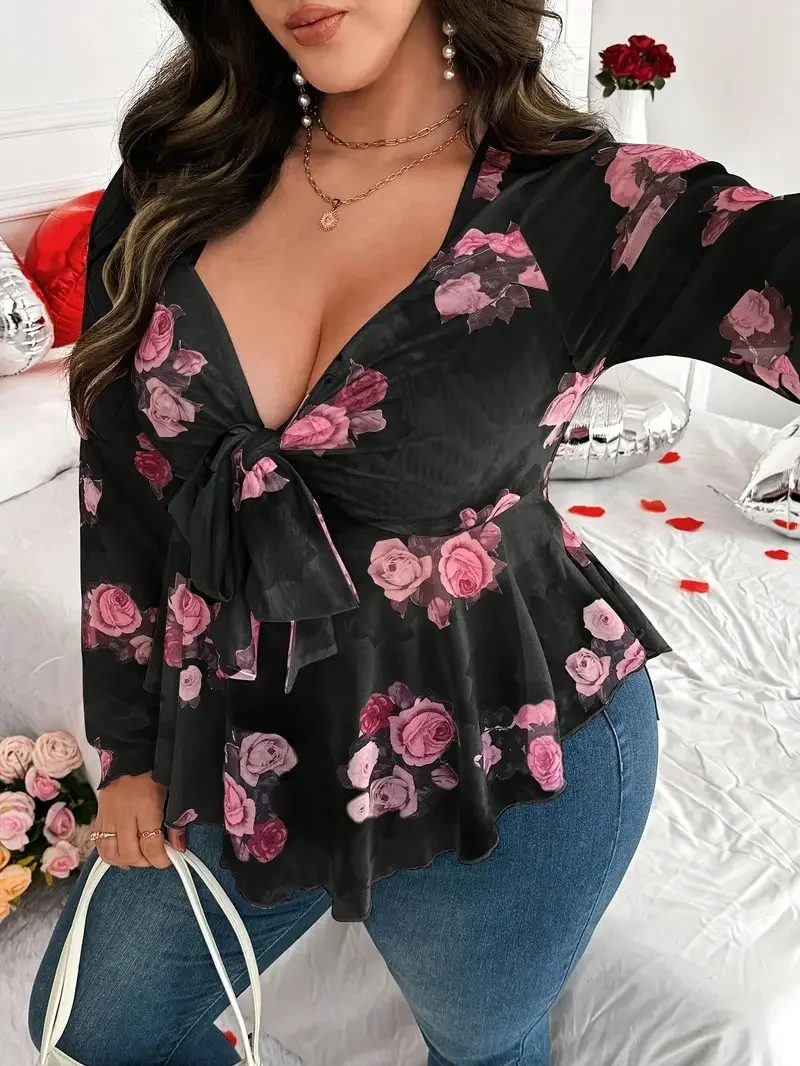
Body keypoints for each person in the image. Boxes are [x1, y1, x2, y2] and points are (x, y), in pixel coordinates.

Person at [29, 2, 799, 1064]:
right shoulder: (177, 178)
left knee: (477, 1049)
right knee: (96, 1024)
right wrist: (126, 750)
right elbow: (120, 488)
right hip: (234, 732)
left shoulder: (593, 206)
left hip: (509, 748)